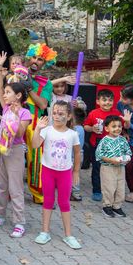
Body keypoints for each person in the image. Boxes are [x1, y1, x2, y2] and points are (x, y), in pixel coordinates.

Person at [0, 45, 55, 204]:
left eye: (41, 59)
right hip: (13, 120)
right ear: (28, 58)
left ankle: (38, 194)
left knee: (35, 158)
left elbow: (43, 105)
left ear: (45, 63)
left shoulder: (46, 83)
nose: (36, 61)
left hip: (34, 123)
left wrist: (29, 88)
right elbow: (2, 92)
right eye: (34, 57)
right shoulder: (13, 75)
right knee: (7, 153)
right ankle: (4, 193)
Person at [31, 101, 82, 249]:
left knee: (64, 202)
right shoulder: (46, 130)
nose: (57, 116)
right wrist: (37, 129)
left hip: (65, 173)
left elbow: (78, 152)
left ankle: (68, 235)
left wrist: (76, 171)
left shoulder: (73, 134)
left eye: (61, 114)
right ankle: (44, 232)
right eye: (54, 113)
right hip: (48, 171)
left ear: (69, 116)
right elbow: (34, 145)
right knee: (48, 200)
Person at [0, 81, 31, 238]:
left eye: (8, 92)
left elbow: (19, 134)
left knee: (15, 187)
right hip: (1, 149)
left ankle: (19, 222)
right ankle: (0, 216)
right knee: (0, 185)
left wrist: (16, 115)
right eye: (5, 92)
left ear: (18, 95)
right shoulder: (6, 107)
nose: (4, 94)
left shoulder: (25, 113)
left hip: (15, 152)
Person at [84, 89, 122, 202]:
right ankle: (97, 190)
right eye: (104, 100)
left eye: (110, 100)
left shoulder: (117, 113)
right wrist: (92, 129)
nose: (107, 103)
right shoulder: (93, 113)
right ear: (98, 101)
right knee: (97, 168)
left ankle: (112, 189)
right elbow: (86, 126)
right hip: (97, 143)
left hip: (113, 145)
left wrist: (125, 130)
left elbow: (123, 127)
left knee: (112, 168)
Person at [96, 115, 132, 218]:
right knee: (109, 187)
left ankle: (117, 206)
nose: (117, 128)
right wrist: (112, 160)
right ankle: (107, 206)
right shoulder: (104, 141)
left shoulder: (122, 140)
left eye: (119, 126)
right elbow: (99, 155)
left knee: (120, 187)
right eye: (114, 126)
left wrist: (127, 158)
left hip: (120, 168)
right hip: (108, 168)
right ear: (107, 128)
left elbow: (128, 152)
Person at [71, 107, 87, 201]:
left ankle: (73, 192)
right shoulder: (81, 128)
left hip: (73, 156)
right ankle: (76, 192)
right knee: (76, 174)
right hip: (80, 155)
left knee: (72, 174)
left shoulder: (74, 130)